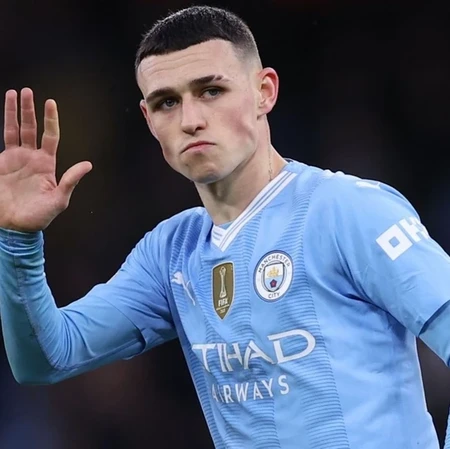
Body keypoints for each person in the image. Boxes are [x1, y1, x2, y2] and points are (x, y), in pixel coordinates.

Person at [0, 5, 449, 449]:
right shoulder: (170, 254)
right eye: (167, 102)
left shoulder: (349, 211)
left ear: (264, 92)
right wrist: (19, 241)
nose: (190, 120)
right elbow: (45, 358)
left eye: (211, 91)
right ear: (148, 121)